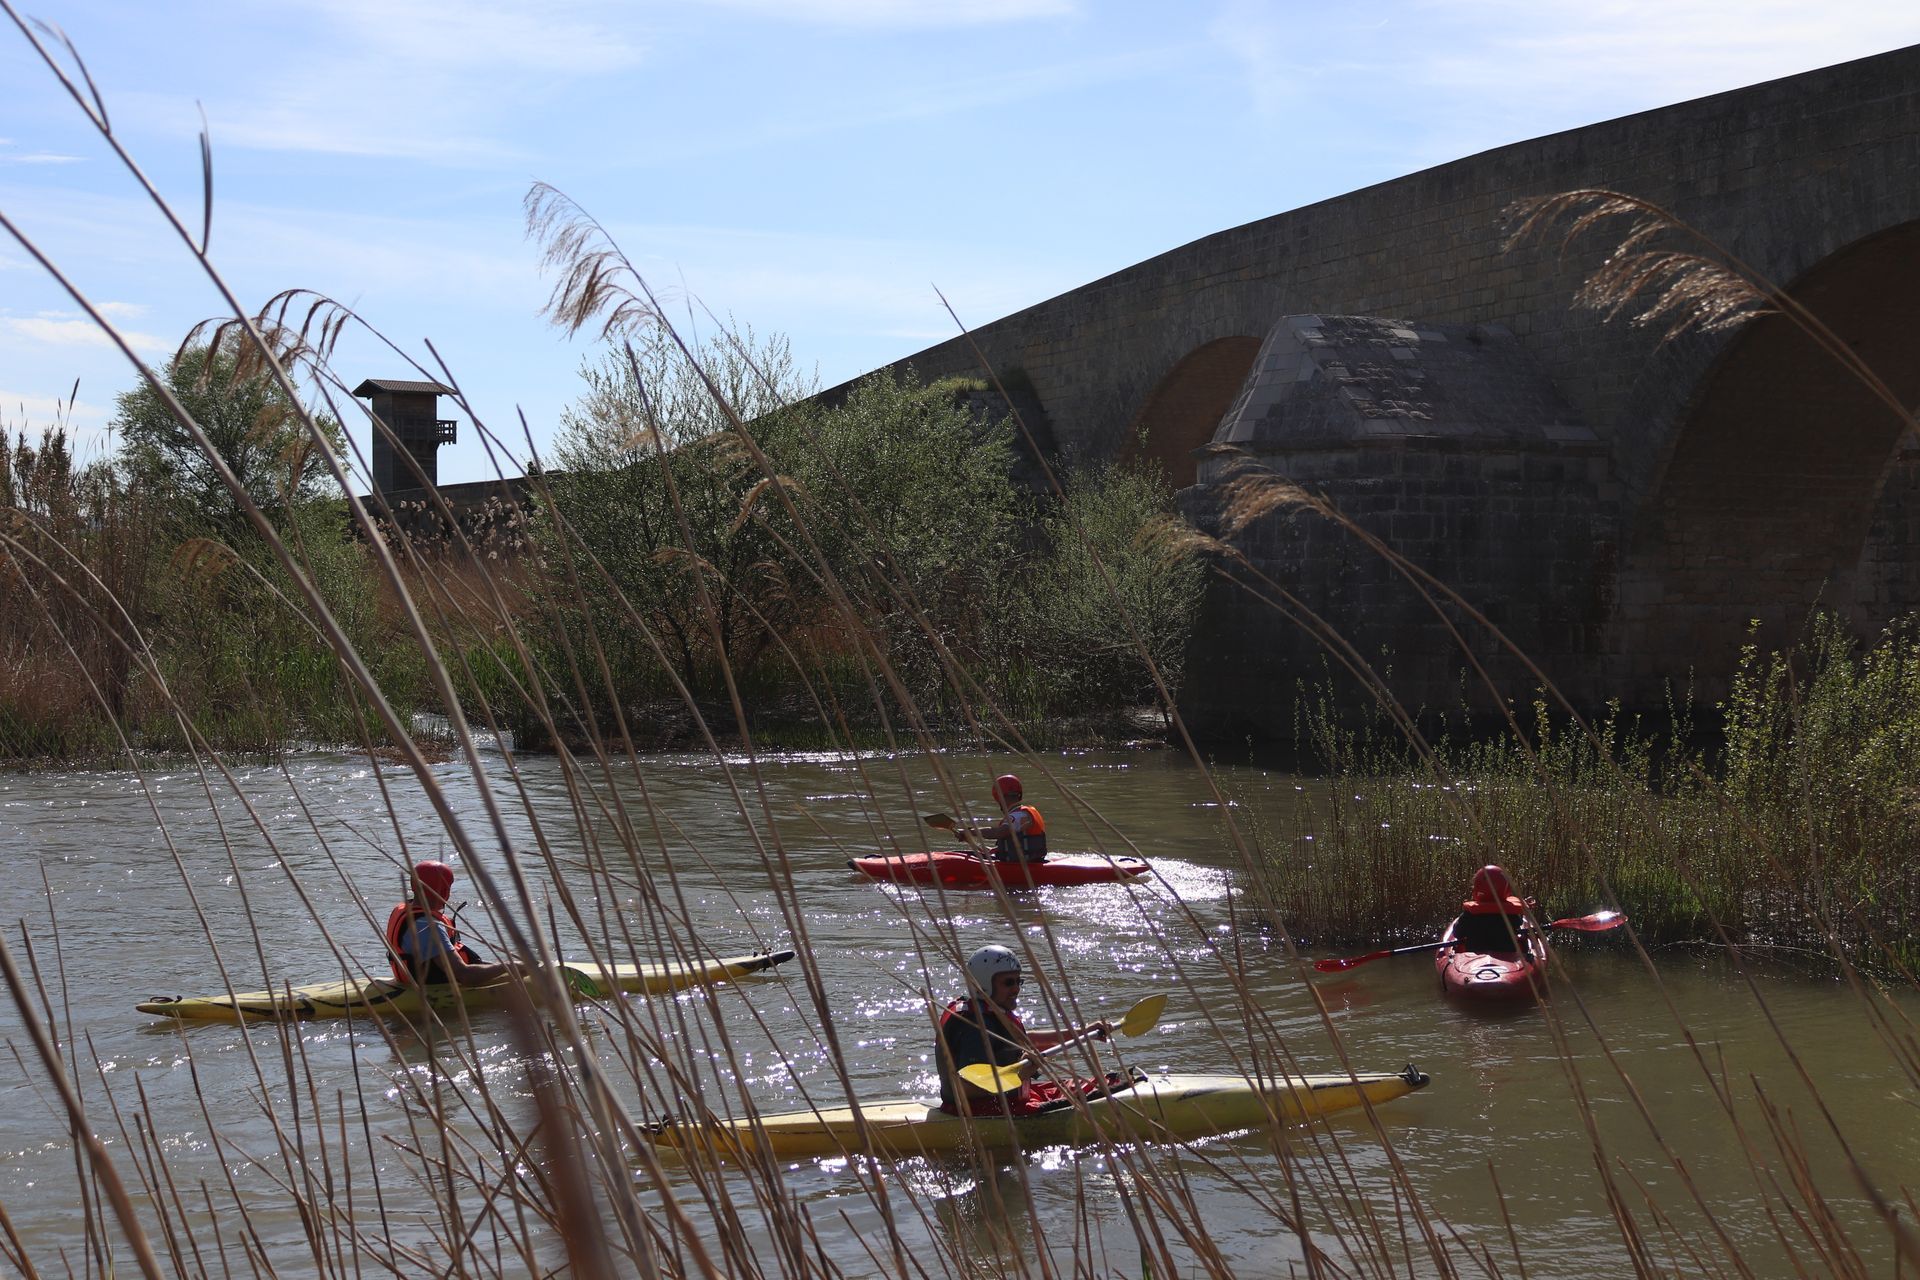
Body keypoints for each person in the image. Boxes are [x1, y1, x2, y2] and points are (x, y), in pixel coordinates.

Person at [935, 945, 1116, 1116]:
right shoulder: (974, 1027)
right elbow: (965, 1089)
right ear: (983, 984)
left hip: (1003, 1101)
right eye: (1008, 982)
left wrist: (1082, 1033)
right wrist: (1023, 1073)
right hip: (982, 1111)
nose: (1016, 989)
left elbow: (1024, 1039)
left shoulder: (987, 1014)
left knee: (1102, 1084)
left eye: (1018, 981)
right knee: (1103, 1091)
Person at [383, 860, 523, 987]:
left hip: (405, 981)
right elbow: (465, 976)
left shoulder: (404, 910)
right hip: (429, 987)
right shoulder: (429, 926)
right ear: (445, 892)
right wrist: (510, 967)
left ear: (413, 886)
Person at [1450, 864, 1536, 954]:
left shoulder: (1470, 914)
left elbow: (1457, 933)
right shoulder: (1512, 915)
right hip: (1508, 957)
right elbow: (1518, 925)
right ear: (1506, 890)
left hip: (1474, 960)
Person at [968, 774, 1048, 863]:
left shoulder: (1019, 815)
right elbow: (1010, 846)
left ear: (999, 797)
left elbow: (998, 832)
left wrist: (971, 832)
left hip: (1025, 866)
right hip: (1031, 861)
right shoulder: (1027, 812)